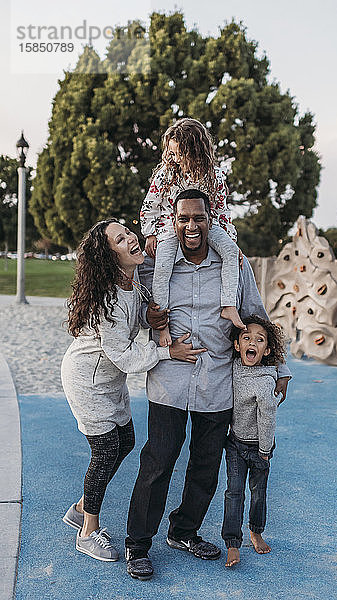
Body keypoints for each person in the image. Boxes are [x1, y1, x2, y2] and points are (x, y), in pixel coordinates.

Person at [125, 190, 292, 580]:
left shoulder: (235, 264)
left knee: (205, 466)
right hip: (169, 379)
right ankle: (138, 544)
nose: (191, 226)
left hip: (217, 382)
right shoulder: (156, 265)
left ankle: (183, 531)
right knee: (158, 460)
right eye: (184, 218)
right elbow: (139, 308)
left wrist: (281, 367)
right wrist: (153, 321)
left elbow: (256, 314)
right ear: (174, 220)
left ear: (211, 219)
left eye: (198, 218)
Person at [61, 218, 204, 562]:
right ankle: (88, 531)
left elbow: (134, 317)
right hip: (88, 380)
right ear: (109, 257)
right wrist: (169, 351)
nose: (132, 239)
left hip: (109, 380)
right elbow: (124, 356)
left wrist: (149, 317)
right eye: (120, 239)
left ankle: (81, 508)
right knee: (106, 450)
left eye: (128, 232)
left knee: (125, 442)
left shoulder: (132, 278)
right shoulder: (106, 298)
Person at [140, 117, 244, 347]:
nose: (175, 158)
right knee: (162, 269)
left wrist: (231, 240)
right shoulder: (167, 174)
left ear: (195, 150)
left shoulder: (214, 176)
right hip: (170, 226)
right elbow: (150, 204)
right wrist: (150, 233)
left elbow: (221, 209)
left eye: (179, 153)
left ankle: (228, 305)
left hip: (209, 224)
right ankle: (163, 323)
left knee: (229, 253)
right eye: (172, 154)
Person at [222, 315, 291, 568]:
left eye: (260, 340)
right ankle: (232, 543)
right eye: (247, 338)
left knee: (258, 492)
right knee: (234, 492)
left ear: (267, 350)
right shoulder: (233, 366)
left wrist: (264, 451)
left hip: (259, 446)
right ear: (237, 345)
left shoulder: (264, 382)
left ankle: (256, 530)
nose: (253, 342)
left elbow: (268, 418)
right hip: (235, 443)